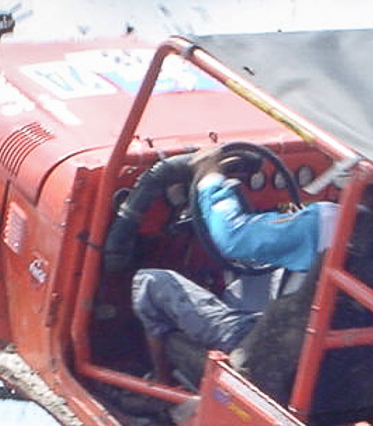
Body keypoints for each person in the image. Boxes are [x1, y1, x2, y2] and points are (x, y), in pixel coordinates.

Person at [131, 145, 340, 385]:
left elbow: (231, 236)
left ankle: (161, 380)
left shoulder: (325, 222)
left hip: (268, 344)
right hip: (338, 354)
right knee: (259, 270)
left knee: (149, 282)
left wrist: (209, 175)